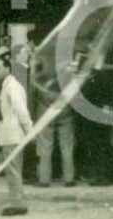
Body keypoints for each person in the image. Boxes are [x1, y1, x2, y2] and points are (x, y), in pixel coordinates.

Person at [30, 49, 77, 188]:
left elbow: (33, 92)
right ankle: (69, 179)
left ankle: (44, 180)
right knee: (67, 145)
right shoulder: (67, 69)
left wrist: (32, 113)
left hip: (45, 109)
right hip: (65, 109)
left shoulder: (40, 68)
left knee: (45, 145)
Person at [0, 52, 32, 215]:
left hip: (13, 133)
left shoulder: (13, 86)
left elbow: (21, 110)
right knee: (13, 169)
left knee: (13, 169)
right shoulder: (7, 86)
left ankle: (17, 204)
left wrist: (29, 131)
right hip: (10, 132)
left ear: (7, 68)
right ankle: (18, 199)